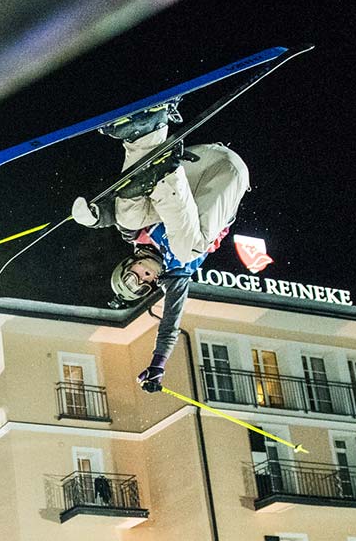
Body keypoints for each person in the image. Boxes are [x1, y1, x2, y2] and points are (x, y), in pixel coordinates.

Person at [69, 102, 250, 392]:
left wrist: (95, 218)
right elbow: (169, 326)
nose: (145, 276)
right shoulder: (176, 276)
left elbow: (114, 215)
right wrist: (157, 365)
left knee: (127, 216)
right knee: (186, 251)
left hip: (198, 163)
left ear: (130, 264)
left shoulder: (134, 235)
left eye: (135, 275)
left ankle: (146, 133)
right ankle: (163, 170)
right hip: (225, 182)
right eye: (145, 284)